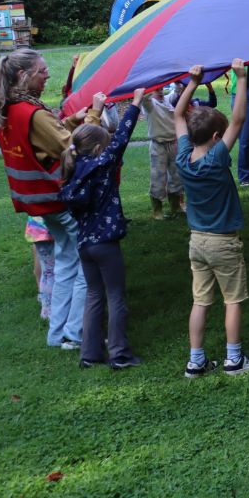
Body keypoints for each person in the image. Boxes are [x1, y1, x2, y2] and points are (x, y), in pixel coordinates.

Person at [0, 48, 104, 349]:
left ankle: (56, 334)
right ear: (23, 75)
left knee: (66, 261)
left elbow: (44, 140)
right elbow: (76, 149)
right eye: (42, 71)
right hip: (61, 199)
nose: (48, 75)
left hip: (40, 203)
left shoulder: (9, 109)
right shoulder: (33, 113)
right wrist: (93, 115)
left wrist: (70, 121)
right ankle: (75, 334)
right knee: (86, 264)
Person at [174, 60, 249, 378]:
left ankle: (196, 362)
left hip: (197, 241)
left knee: (200, 301)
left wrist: (192, 82)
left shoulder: (183, 158)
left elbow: (177, 116)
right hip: (223, 242)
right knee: (232, 300)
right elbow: (239, 119)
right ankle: (234, 359)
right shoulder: (216, 158)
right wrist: (241, 77)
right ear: (215, 137)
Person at [59, 89, 146, 370]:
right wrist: (135, 103)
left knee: (94, 295)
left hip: (85, 245)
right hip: (106, 243)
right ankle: (119, 354)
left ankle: (90, 353)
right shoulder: (102, 165)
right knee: (116, 295)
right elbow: (122, 138)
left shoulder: (73, 171)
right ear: (98, 149)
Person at [141, 87, 184, 219]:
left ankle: (176, 206)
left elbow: (178, 90)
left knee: (176, 175)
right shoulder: (150, 105)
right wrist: (152, 84)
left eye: (161, 89)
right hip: (158, 145)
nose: (160, 92)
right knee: (158, 177)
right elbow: (145, 97)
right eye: (156, 90)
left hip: (174, 143)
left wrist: (178, 82)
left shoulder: (167, 99)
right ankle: (157, 210)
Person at [25, 216, 54, 321]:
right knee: (51, 272)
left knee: (47, 271)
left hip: (36, 225)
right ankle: (48, 310)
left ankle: (46, 306)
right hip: (49, 225)